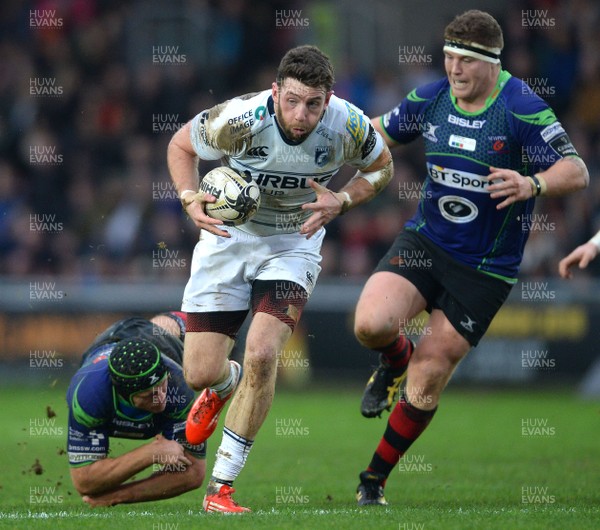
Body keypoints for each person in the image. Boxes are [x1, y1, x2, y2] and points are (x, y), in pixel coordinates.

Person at [352, 10, 589, 505]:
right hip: (426, 243)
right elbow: (375, 134)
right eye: (448, 56)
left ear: (490, 63)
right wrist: (326, 132)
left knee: (431, 373)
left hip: (484, 269)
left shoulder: (520, 106)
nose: (453, 68)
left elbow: (578, 170)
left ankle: (372, 481)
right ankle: (394, 360)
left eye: (464, 59)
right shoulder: (433, 97)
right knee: (371, 324)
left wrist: (532, 183)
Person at [167, 44, 393, 512]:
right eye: (292, 100)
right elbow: (181, 145)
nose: (301, 114)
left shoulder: (349, 124)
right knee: (199, 373)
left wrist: (344, 200)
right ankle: (222, 385)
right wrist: (190, 197)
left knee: (264, 353)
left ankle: (221, 488)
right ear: (274, 92)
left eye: (314, 103)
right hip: (227, 239)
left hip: (294, 245)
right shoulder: (240, 118)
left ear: (328, 100)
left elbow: (382, 168)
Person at [66, 312, 206, 507]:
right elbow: (85, 482)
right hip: (106, 342)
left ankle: (175, 320)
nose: (161, 399)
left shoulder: (179, 387)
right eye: (148, 395)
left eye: (161, 386)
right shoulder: (89, 396)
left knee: (171, 333)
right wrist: (151, 453)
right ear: (123, 395)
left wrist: (117, 496)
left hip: (164, 346)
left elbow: (193, 473)